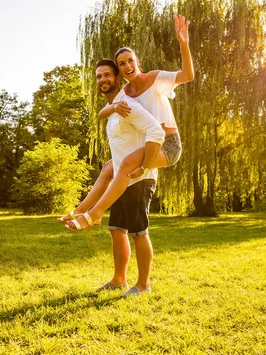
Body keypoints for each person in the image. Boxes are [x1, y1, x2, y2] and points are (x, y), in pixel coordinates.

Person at [60, 15, 194, 231]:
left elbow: (188, 75)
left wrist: (183, 44)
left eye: (130, 61)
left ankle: (94, 214)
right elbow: (103, 113)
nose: (128, 66)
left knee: (124, 165)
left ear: (137, 62)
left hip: (168, 144)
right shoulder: (125, 93)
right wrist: (113, 107)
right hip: (150, 142)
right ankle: (80, 210)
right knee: (107, 168)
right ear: (119, 71)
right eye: (122, 64)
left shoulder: (155, 78)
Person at [80, 58, 165, 296]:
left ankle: (143, 285)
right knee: (117, 229)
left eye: (107, 75)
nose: (103, 80)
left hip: (138, 178)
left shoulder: (127, 105)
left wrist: (145, 166)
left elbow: (155, 132)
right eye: (99, 76)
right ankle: (118, 280)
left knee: (139, 232)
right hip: (121, 180)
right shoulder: (114, 110)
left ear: (118, 78)